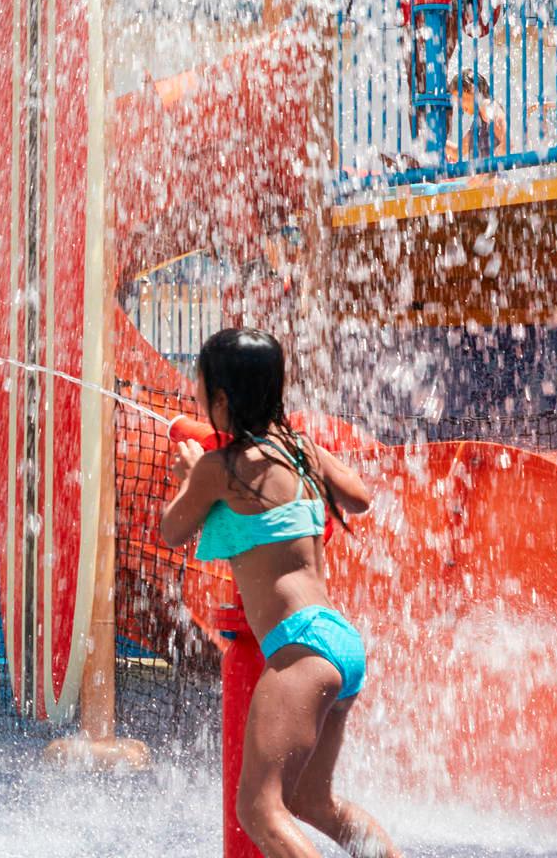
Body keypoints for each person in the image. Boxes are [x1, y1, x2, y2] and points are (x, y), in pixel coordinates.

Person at [156, 326, 398, 858]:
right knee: (315, 804)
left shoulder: (219, 471)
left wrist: (191, 476)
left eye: (200, 388)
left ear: (220, 399)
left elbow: (172, 530)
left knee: (259, 811)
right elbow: (358, 497)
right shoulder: (303, 449)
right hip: (340, 641)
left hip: (299, 649)